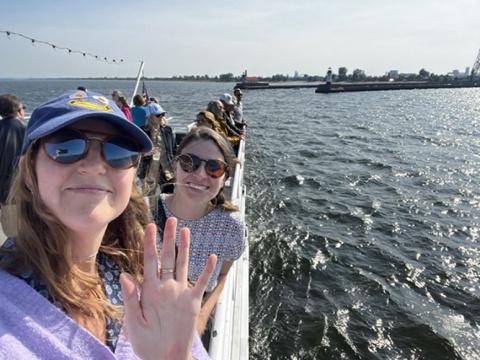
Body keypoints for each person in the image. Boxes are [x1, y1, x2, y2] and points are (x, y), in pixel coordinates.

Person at [0, 90, 216, 359]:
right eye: (64, 145)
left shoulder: (146, 278)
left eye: (120, 150)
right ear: (28, 173)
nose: (94, 166)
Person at [151, 128, 245, 335]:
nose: (200, 174)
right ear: (175, 167)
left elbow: (222, 275)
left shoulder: (230, 226)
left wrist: (200, 319)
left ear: (225, 178)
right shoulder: (142, 215)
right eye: (188, 163)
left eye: (214, 168)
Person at [0, 94, 26, 237]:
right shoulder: (32, 131)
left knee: (13, 239)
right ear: (20, 110)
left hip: (7, 196)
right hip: (32, 194)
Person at [141, 103, 176, 195]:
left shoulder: (167, 130)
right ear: (150, 117)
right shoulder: (143, 132)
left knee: (168, 197)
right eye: (158, 115)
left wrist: (176, 167)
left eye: (163, 114)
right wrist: (145, 153)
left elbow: (174, 149)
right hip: (149, 171)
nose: (161, 117)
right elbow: (134, 151)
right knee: (148, 198)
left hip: (167, 170)